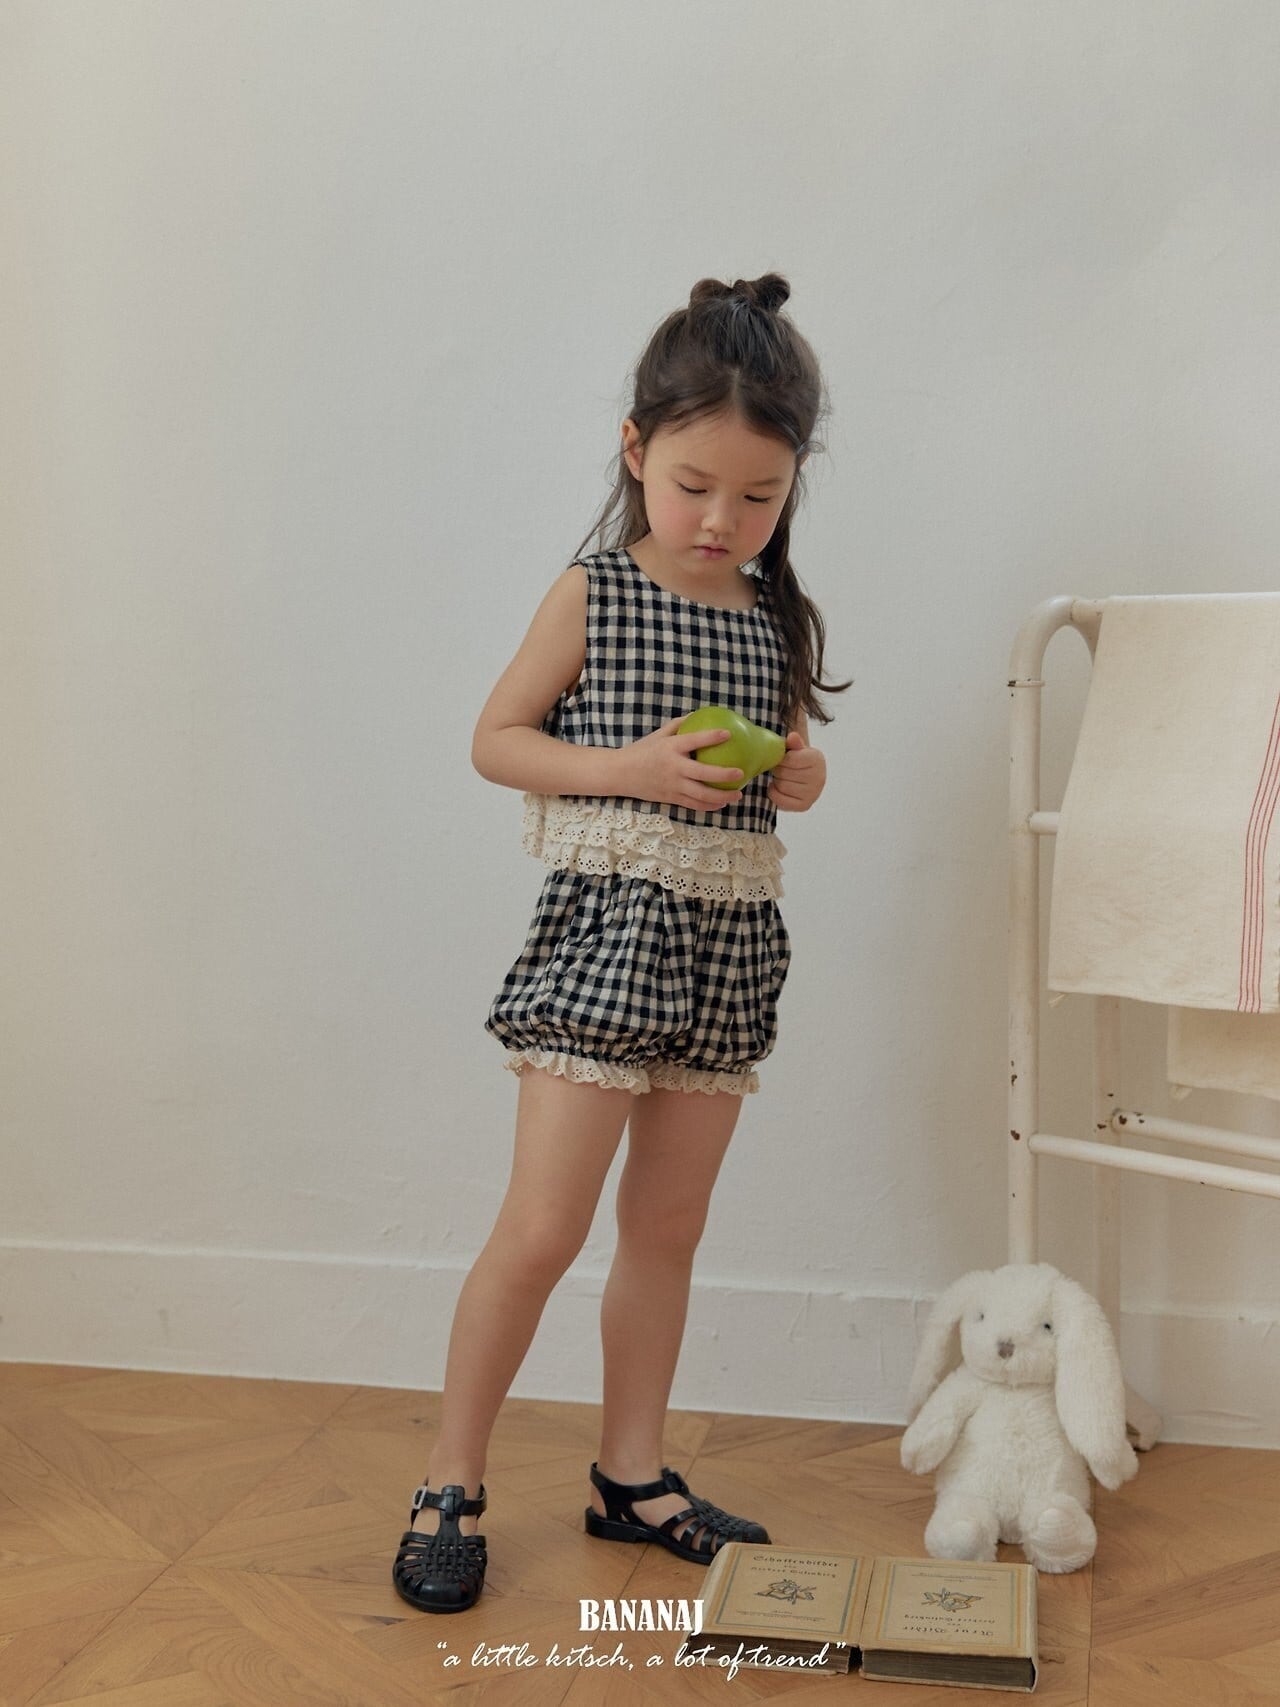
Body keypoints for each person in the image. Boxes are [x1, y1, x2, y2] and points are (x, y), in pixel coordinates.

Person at [392, 273, 849, 1613]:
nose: (722, 521)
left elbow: (776, 760)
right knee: (542, 1227)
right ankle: (449, 1481)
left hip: (726, 949)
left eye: (758, 497)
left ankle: (632, 1476)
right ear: (638, 448)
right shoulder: (593, 592)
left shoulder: (771, 615)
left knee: (668, 1227)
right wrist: (626, 769)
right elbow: (497, 742)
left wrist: (802, 775)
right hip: (604, 937)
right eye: (696, 484)